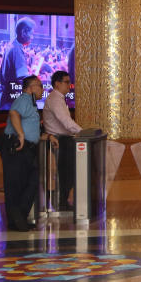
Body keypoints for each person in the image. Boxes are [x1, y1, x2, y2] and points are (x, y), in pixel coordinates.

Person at [0, 74, 44, 232]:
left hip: (28, 150)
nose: (42, 89)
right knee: (16, 185)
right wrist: (21, 134)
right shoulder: (24, 99)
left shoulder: (31, 104)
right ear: (31, 88)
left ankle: (18, 219)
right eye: (40, 85)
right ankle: (17, 220)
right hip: (17, 148)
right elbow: (14, 114)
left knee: (30, 183)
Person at [42, 70, 82, 211]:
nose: (69, 85)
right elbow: (66, 122)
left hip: (64, 139)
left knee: (68, 172)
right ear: (57, 84)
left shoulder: (59, 98)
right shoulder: (54, 99)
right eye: (66, 82)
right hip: (59, 140)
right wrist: (82, 133)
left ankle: (63, 201)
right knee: (66, 173)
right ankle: (60, 202)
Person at [0, 18, 34, 110]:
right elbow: (22, 79)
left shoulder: (13, 44)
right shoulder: (17, 49)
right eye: (31, 33)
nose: (32, 37)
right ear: (23, 32)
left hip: (5, 99)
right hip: (10, 103)